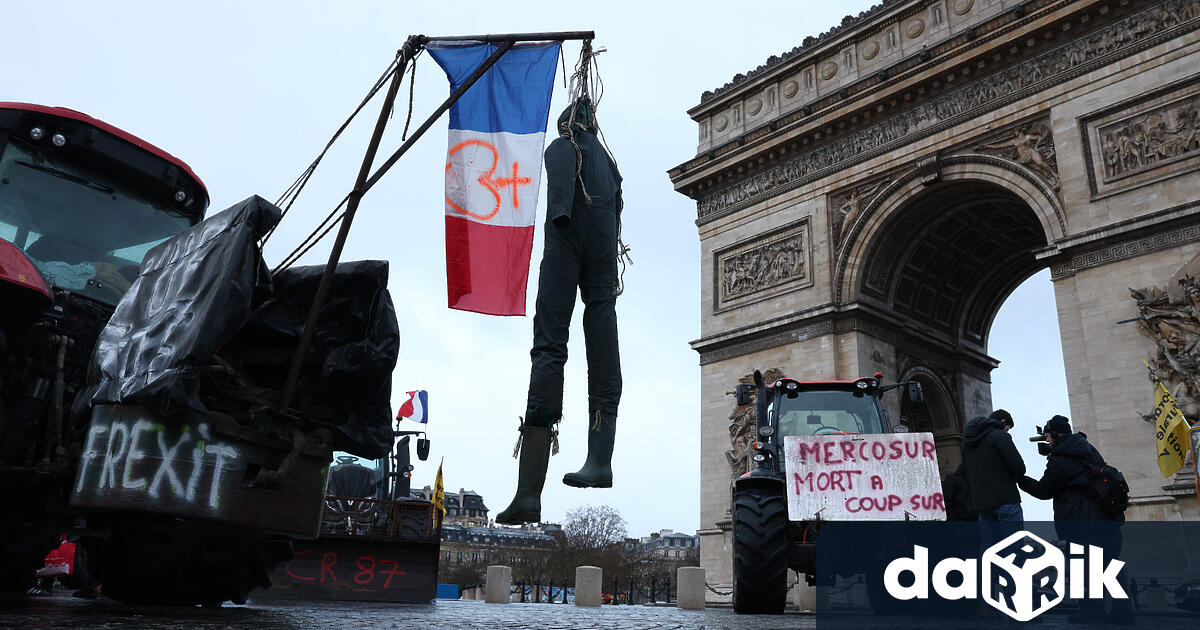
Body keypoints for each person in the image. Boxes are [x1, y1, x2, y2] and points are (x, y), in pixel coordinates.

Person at [497, 98, 624, 525]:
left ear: (567, 124)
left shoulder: (562, 147)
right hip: (604, 251)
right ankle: (599, 459)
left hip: (565, 243)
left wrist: (564, 214)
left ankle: (529, 492)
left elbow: (560, 197)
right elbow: (617, 213)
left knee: (549, 347)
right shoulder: (610, 162)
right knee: (603, 332)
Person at [1017, 415, 1131, 625]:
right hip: (1106, 517)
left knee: (1083, 567)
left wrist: (1020, 478)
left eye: (1048, 437)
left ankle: (1091, 611)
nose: (1047, 441)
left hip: (1081, 521)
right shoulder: (1087, 449)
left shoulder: (1060, 458)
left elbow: (1044, 490)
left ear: (1055, 435)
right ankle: (1123, 612)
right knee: (1109, 565)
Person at [960, 409, 1025, 546]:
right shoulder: (999, 436)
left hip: (982, 504)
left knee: (990, 549)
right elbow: (1019, 468)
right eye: (1007, 429)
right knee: (1014, 548)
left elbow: (965, 470)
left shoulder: (967, 443)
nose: (1007, 432)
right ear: (1003, 422)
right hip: (1005, 500)